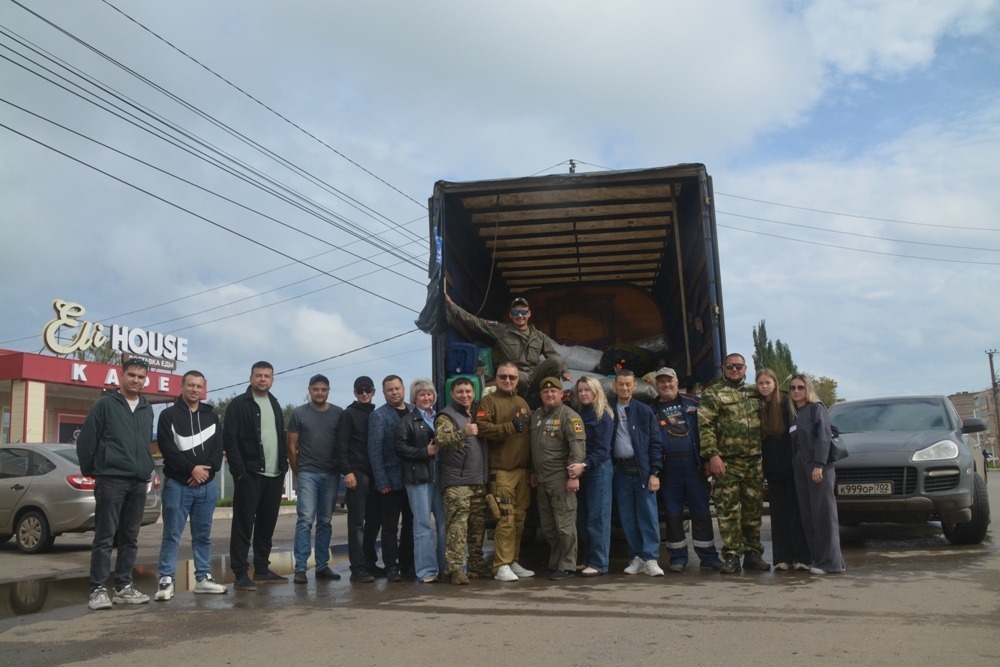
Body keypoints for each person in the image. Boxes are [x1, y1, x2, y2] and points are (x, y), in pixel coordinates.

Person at [78, 358, 156, 610]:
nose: (136, 380)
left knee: (130, 537)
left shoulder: (146, 408)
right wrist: (92, 470)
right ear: (121, 376)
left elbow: (144, 443)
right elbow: (87, 440)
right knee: (105, 536)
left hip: (138, 481)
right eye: (131, 375)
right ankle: (98, 589)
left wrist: (145, 468)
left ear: (145, 380)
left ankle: (123, 587)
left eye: (141, 377)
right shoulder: (105, 404)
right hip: (111, 479)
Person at [154, 370, 227, 601]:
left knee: (203, 535)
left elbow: (218, 448)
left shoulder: (211, 417)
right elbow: (168, 449)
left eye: (199, 386)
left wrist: (205, 472)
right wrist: (191, 469)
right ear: (182, 386)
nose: (195, 389)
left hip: (207, 486)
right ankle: (166, 580)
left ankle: (203, 578)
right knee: (172, 534)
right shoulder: (168, 415)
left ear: (203, 389)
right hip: (178, 485)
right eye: (191, 385)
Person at [698, 353, 769, 574]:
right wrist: (712, 455)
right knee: (728, 512)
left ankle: (753, 554)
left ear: (746, 368)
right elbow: (705, 426)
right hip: (727, 462)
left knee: (753, 511)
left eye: (739, 366)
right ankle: (732, 556)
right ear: (723, 368)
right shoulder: (713, 393)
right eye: (730, 366)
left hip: (754, 461)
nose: (735, 369)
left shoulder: (755, 392)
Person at [224, 361, 289, 591]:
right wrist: (239, 471)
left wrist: (284, 466)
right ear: (251, 378)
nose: (263, 379)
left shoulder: (275, 403)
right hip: (250, 474)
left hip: (274, 474)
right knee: (243, 525)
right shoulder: (238, 405)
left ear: (272, 379)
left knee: (266, 524)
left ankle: (262, 568)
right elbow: (230, 439)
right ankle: (240, 573)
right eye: (259, 375)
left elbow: (281, 437)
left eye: (267, 376)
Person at [652, 367, 723, 573]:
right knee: (673, 514)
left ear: (677, 382)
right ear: (656, 385)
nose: (666, 384)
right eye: (662, 381)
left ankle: (708, 556)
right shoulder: (651, 409)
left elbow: (708, 430)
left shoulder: (693, 402)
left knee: (701, 512)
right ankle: (678, 558)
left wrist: (709, 458)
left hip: (695, 465)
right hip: (668, 468)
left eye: (669, 380)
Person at [474, 360, 536, 582]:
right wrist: (508, 427)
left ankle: (513, 561)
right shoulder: (488, 401)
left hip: (523, 470)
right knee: (506, 518)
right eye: (503, 377)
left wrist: (532, 469)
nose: (508, 380)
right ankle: (501, 565)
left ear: (517, 380)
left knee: (519, 519)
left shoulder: (522, 402)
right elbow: (481, 428)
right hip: (502, 470)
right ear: (496, 378)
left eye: (512, 377)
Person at [444, 292, 571, 398]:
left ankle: (549, 396)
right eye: (515, 313)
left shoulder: (539, 336)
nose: (520, 316)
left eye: (523, 312)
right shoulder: (502, 330)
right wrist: (451, 305)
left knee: (557, 361)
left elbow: (552, 355)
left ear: (529, 314)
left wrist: (564, 372)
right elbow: (476, 323)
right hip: (513, 376)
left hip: (534, 375)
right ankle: (522, 402)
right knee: (521, 377)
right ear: (510, 315)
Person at [287, 374, 343, 584]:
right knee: (305, 520)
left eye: (323, 389)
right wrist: (298, 472)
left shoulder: (338, 413)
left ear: (329, 390)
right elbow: (291, 446)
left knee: (325, 521)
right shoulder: (299, 413)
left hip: (331, 473)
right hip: (308, 473)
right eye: (316, 389)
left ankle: (322, 566)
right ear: (309, 390)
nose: (320, 393)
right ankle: (300, 568)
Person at [435, 376, 491, 585]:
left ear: (474, 393)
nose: (465, 395)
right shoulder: (446, 416)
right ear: (452, 394)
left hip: (477, 481)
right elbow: (442, 441)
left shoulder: (476, 413)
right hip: (457, 484)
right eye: (460, 392)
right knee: (457, 528)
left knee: (477, 527)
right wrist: (463, 433)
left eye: (468, 391)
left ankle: (476, 564)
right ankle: (455, 569)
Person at [788, 374, 846, 575]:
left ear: (808, 389)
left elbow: (824, 436)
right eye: (793, 388)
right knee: (809, 514)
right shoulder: (795, 413)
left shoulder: (816, 408)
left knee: (823, 515)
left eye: (800, 387)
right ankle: (823, 560)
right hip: (801, 467)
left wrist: (819, 465)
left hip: (817, 466)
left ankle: (830, 563)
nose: (796, 391)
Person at [609, 370, 665, 577]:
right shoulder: (607, 410)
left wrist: (655, 472)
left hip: (642, 471)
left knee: (648, 516)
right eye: (621, 384)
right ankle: (637, 557)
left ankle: (651, 559)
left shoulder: (644, 411)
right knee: (627, 517)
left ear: (634, 386)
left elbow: (656, 443)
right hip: (620, 472)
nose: (624, 388)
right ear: (615, 385)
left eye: (628, 384)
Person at [530, 377, 586, 580]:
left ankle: (568, 565)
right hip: (542, 479)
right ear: (541, 395)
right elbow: (534, 447)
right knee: (548, 526)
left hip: (561, 479)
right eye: (546, 392)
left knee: (565, 525)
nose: (550, 394)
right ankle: (555, 562)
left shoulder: (569, 416)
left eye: (554, 391)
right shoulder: (537, 415)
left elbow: (577, 448)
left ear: (562, 394)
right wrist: (533, 472)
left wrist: (574, 476)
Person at [757, 368, 810, 572]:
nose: (764, 387)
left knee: (796, 512)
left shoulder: (787, 402)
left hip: (792, 467)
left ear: (775, 384)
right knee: (778, 515)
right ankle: (782, 558)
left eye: (768, 383)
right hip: (772, 469)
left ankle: (802, 558)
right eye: (761, 383)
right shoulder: (757, 405)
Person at [394, 379, 447, 583]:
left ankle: (446, 567)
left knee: (444, 523)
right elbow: (400, 448)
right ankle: (426, 571)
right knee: (422, 524)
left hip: (441, 477)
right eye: (422, 394)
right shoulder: (406, 422)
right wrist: (426, 451)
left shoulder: (441, 418)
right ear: (414, 398)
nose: (427, 397)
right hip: (418, 479)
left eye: (429, 394)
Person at [368, 374, 415, 581]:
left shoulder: (414, 410)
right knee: (390, 527)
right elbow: (374, 451)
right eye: (390, 390)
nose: (394, 392)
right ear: (384, 392)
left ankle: (407, 563)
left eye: (397, 388)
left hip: (413, 479)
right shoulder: (378, 416)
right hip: (390, 481)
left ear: (403, 389)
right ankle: (391, 566)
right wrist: (382, 481)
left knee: (410, 524)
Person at [336, 375, 381, 583]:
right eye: (360, 390)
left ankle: (370, 563)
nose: (364, 393)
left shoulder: (376, 414)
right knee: (357, 524)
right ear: (355, 392)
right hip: (357, 475)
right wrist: (347, 471)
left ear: (373, 392)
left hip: (376, 476)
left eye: (368, 390)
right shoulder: (348, 415)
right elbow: (341, 446)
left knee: (374, 522)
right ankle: (357, 569)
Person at [567, 375, 613, 577]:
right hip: (582, 470)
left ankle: (599, 562)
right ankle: (587, 559)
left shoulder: (603, 415)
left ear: (596, 391)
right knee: (583, 517)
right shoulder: (579, 413)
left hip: (598, 470)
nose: (583, 393)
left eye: (587, 390)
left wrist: (584, 465)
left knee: (598, 517)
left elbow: (603, 450)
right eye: (580, 390)